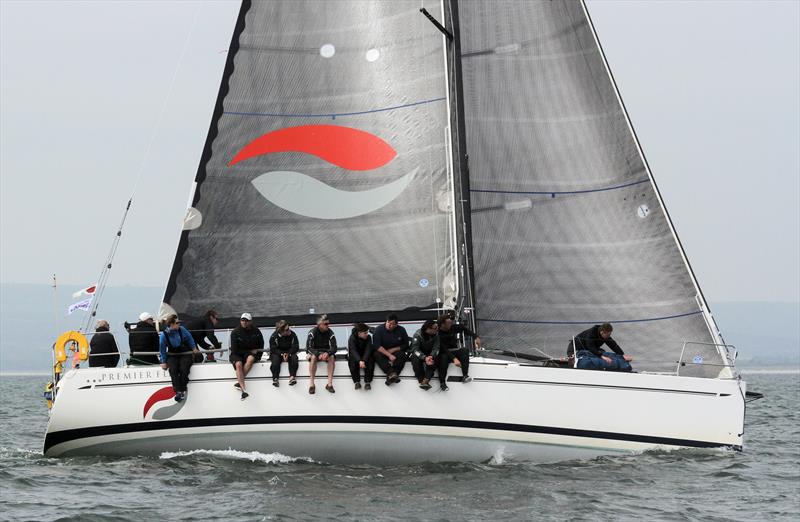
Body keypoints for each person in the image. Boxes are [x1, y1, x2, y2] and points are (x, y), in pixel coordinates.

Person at [159, 314, 199, 402]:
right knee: (173, 370)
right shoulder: (163, 335)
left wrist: (194, 348)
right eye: (177, 323)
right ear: (171, 324)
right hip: (172, 355)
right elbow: (162, 349)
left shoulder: (182, 330)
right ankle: (178, 391)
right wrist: (163, 362)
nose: (179, 325)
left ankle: (183, 389)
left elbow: (189, 338)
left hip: (185, 353)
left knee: (184, 368)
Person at [229, 312, 264, 400]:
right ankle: (244, 390)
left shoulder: (256, 331)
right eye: (242, 320)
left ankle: (239, 383)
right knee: (238, 364)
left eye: (246, 321)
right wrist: (250, 351)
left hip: (247, 353)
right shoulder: (235, 332)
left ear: (250, 322)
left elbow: (261, 344)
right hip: (236, 353)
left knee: (251, 359)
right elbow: (234, 349)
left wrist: (259, 356)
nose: (244, 322)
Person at [438, 314, 481, 384]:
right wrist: (454, 359)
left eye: (451, 323)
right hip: (442, 352)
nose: (451, 325)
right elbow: (443, 348)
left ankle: (465, 375)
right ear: (442, 324)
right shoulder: (437, 333)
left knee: (465, 350)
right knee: (444, 357)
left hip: (453, 351)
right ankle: (442, 383)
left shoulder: (452, 327)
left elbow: (464, 329)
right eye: (448, 323)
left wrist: (476, 337)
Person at [410, 319, 449, 391]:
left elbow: (436, 348)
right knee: (415, 358)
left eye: (437, 327)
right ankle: (421, 379)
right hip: (420, 354)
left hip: (430, 354)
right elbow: (415, 349)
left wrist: (431, 356)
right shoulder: (417, 335)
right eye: (435, 328)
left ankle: (427, 379)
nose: (437, 329)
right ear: (428, 329)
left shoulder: (436, 335)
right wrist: (424, 358)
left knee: (438, 357)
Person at [372, 313, 409, 386]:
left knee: (402, 355)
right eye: (388, 322)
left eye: (391, 324)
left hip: (395, 351)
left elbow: (406, 345)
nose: (389, 325)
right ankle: (391, 373)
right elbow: (377, 346)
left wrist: (393, 349)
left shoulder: (401, 330)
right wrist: (389, 355)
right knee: (376, 354)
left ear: (396, 325)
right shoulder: (378, 330)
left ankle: (392, 376)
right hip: (382, 351)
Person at [306, 314, 337, 394]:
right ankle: (312, 384)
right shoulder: (312, 332)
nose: (328, 326)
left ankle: (329, 384)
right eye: (326, 324)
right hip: (313, 351)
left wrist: (328, 353)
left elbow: (334, 347)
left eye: (328, 324)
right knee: (313, 357)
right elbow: (308, 347)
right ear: (319, 324)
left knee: (332, 357)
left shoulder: (330, 332)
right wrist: (317, 354)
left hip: (325, 351)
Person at [268, 319, 299, 386]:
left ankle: (292, 377)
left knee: (294, 358)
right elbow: (273, 349)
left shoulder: (293, 335)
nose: (289, 330)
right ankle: (275, 378)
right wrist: (282, 354)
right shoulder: (273, 336)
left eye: (288, 328)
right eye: (287, 329)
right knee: (275, 360)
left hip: (289, 352)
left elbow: (296, 347)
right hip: (277, 353)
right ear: (281, 332)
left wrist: (288, 353)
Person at [347, 323, 374, 390]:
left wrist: (363, 360)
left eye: (367, 332)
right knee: (352, 361)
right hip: (356, 356)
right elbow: (353, 350)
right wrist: (359, 360)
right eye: (365, 333)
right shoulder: (352, 338)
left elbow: (368, 350)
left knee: (370, 361)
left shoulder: (368, 338)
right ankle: (356, 382)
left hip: (365, 355)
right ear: (359, 333)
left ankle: (367, 382)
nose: (367, 334)